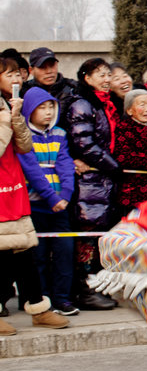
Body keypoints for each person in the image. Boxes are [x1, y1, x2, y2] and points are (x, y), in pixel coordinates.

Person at [0, 69, 69, 335]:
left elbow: (24, 145)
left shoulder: (8, 107)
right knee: (3, 257)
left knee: (24, 252)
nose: (16, 80)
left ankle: (39, 308)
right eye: (9, 75)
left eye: (18, 74)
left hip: (13, 187)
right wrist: (8, 118)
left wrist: (15, 116)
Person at [63, 58, 121, 311]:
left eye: (108, 74)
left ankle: (95, 287)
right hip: (88, 182)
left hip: (102, 182)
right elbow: (84, 143)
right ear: (86, 78)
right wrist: (114, 165)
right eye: (100, 74)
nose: (106, 79)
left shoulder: (105, 105)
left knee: (99, 238)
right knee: (87, 237)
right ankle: (84, 290)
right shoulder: (82, 104)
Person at [16, 85, 79, 316]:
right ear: (30, 110)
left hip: (60, 205)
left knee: (64, 252)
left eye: (50, 107)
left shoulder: (60, 134)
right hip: (35, 204)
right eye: (41, 108)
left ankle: (63, 299)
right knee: (38, 256)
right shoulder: (23, 136)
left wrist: (65, 196)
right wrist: (52, 197)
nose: (48, 112)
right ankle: (42, 301)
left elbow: (65, 165)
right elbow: (31, 170)